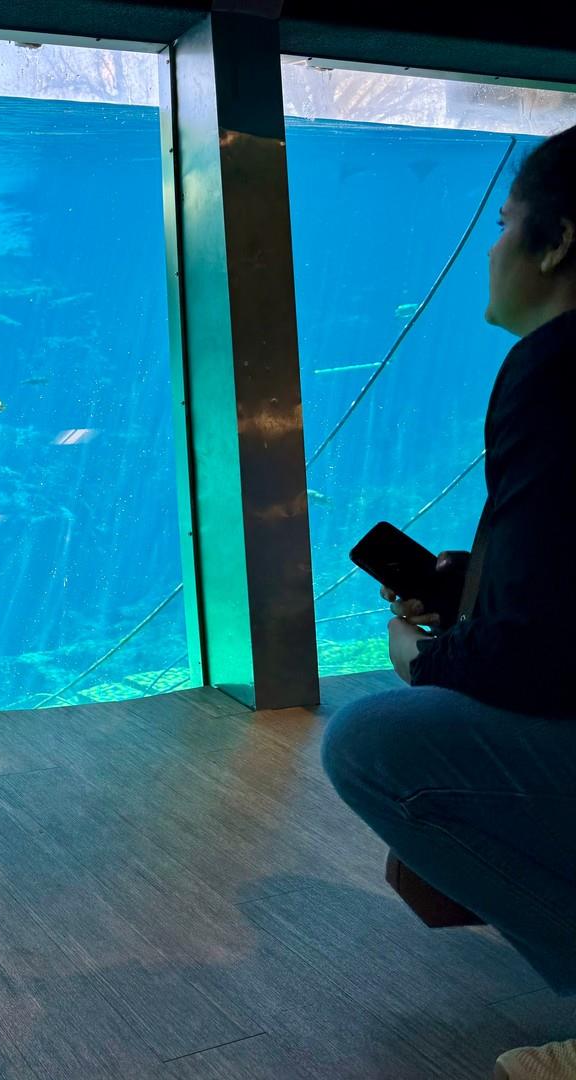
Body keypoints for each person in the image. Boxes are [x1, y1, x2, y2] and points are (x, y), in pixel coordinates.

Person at [321, 125, 576, 1080]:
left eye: (507, 223)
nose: (492, 246)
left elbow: (526, 659)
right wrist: (475, 581)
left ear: (559, 241)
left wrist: (417, 653)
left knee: (374, 743)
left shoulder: (552, 367)